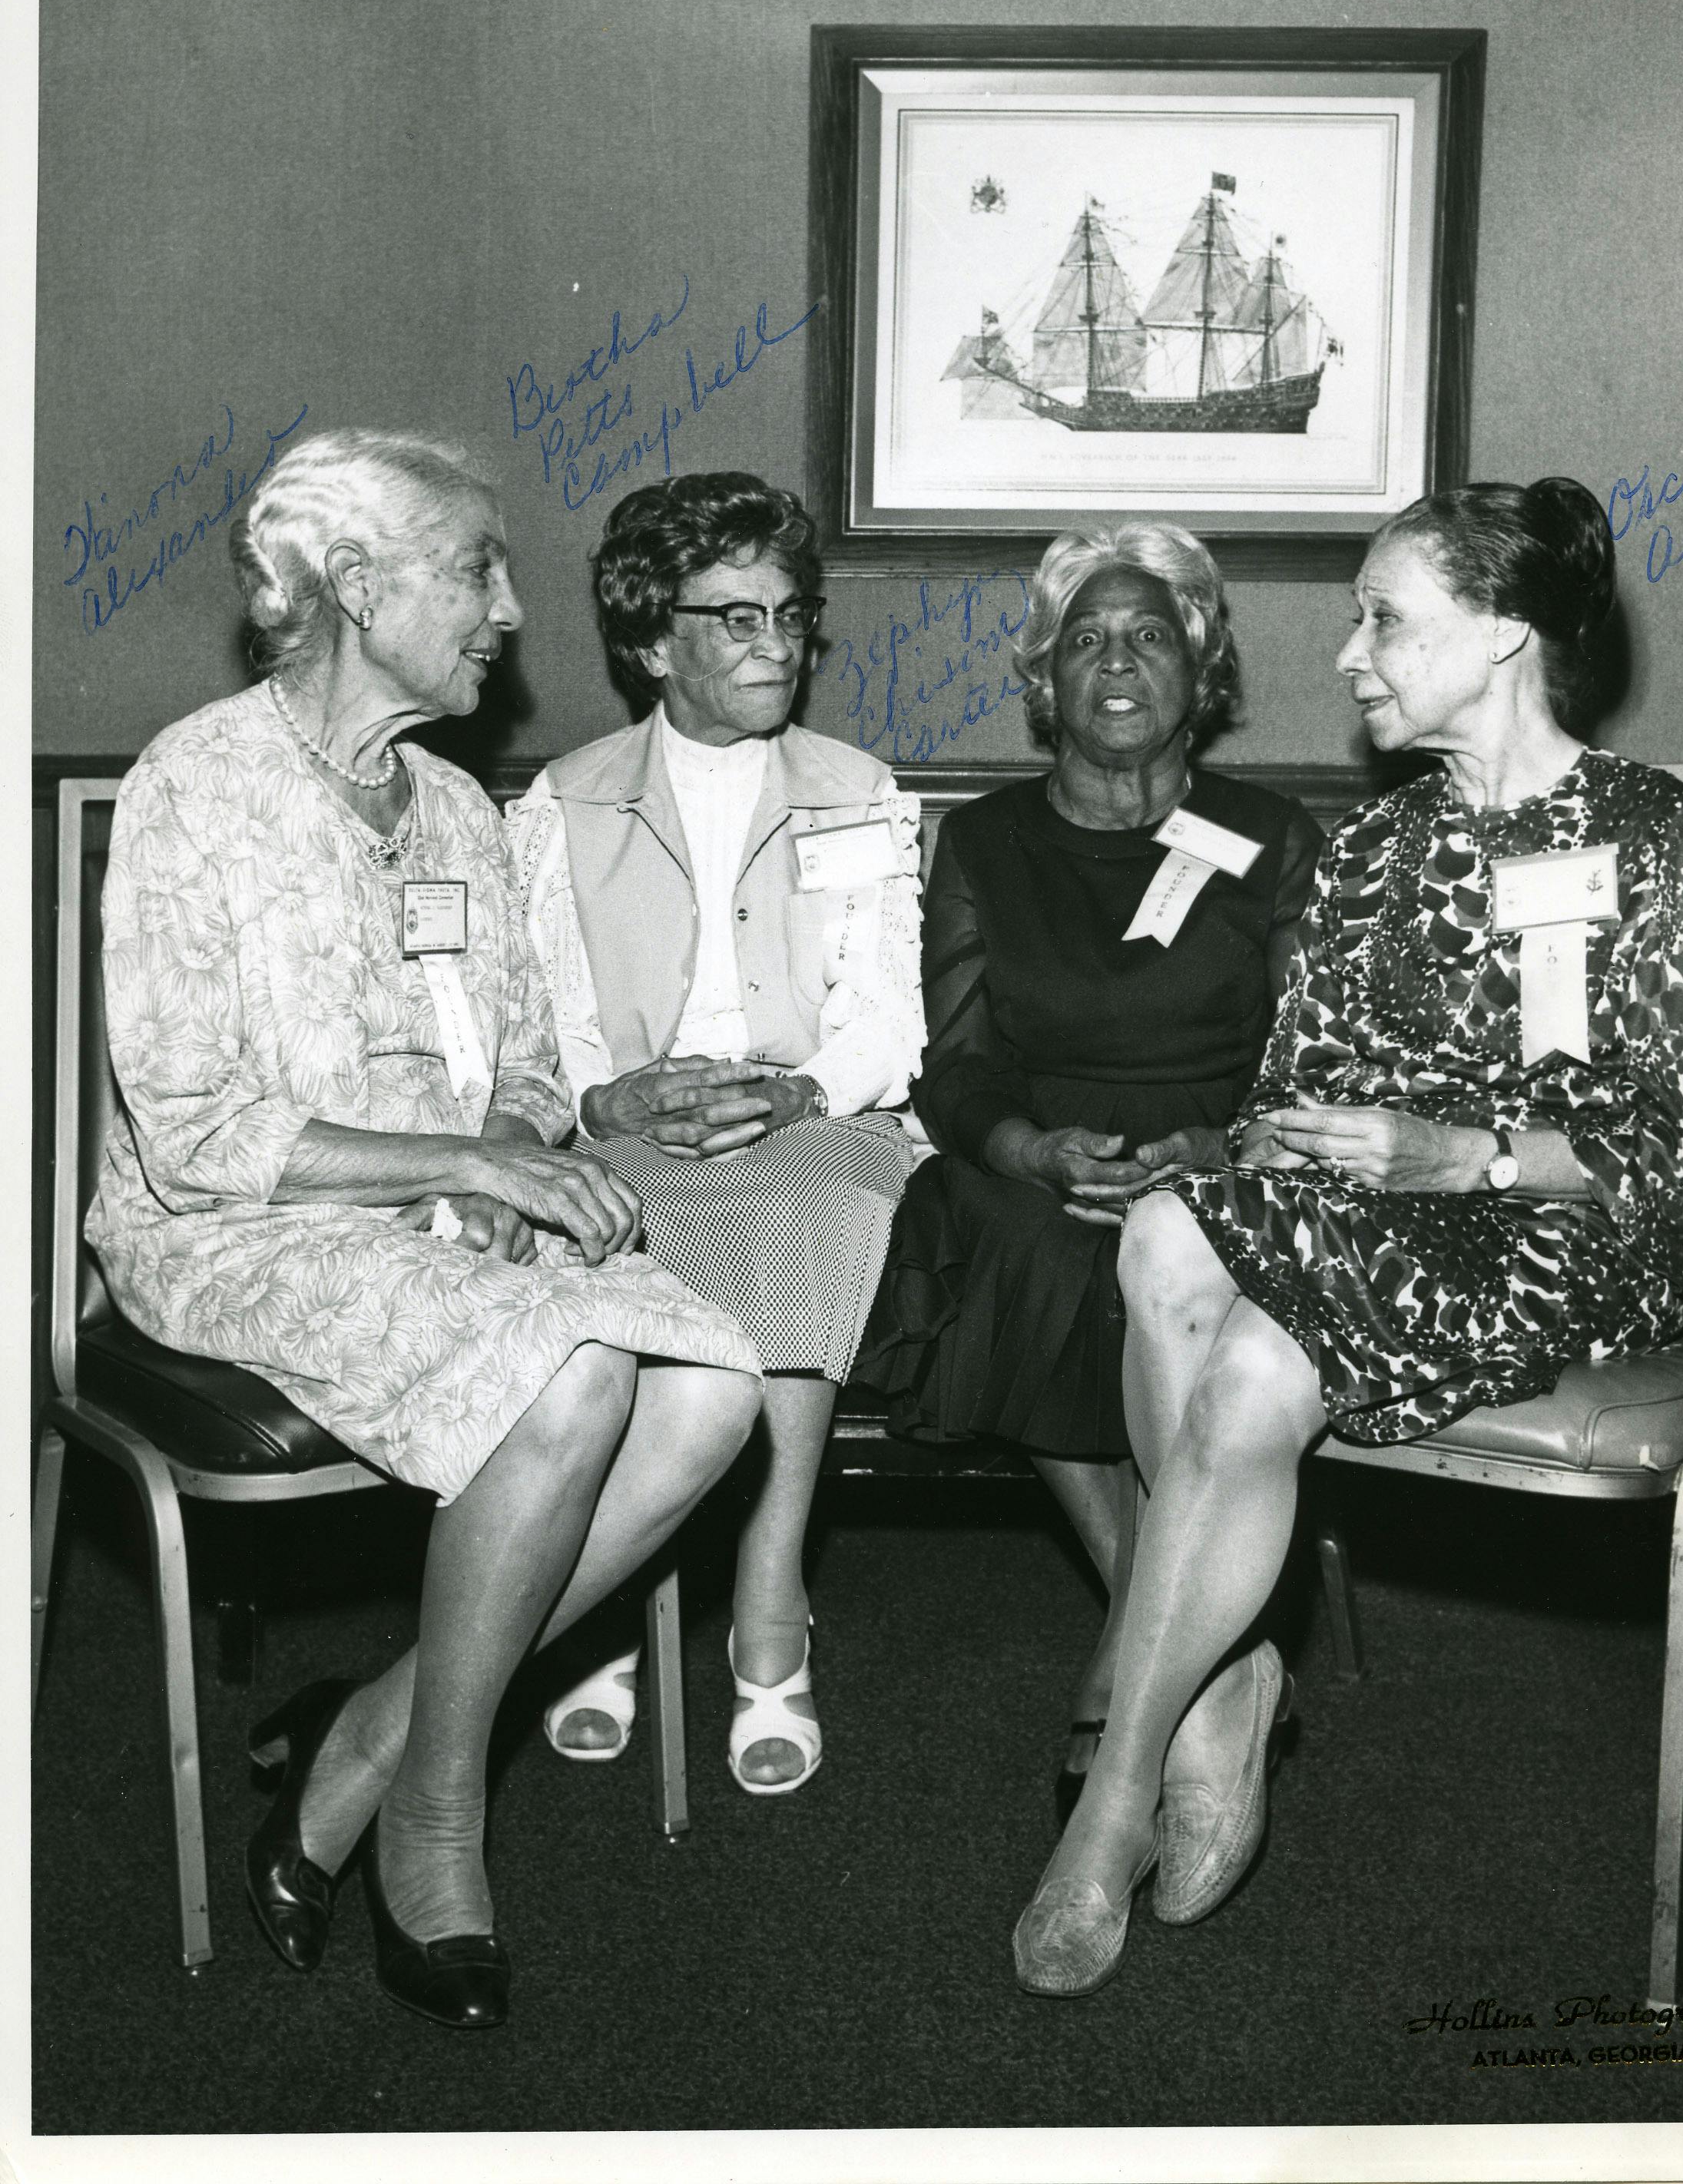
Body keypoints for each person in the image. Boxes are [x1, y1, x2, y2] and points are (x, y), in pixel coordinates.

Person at [1010, 476, 1683, 1997]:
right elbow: (1292, 1092)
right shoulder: (1375, 846)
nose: (1349, 654)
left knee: (1247, 1367)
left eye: (1384, 619)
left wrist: (1457, 1152)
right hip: (1389, 1225)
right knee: (1165, 1239)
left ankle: (1118, 1793)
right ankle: (1221, 1674)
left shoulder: (1655, 833)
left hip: (1571, 1231)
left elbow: (1679, 1159)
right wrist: (1323, 1144)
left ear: (1500, 638)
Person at [86, 429, 764, 2030]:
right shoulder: (202, 784)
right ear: (356, 587)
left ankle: (372, 1737)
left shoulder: (460, 805)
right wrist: (462, 1169)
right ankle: (436, 1816)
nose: (511, 610)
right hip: (239, 1233)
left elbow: (524, 1063)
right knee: (581, 1373)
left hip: (448, 1225)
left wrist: (511, 1156)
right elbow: (194, 1135)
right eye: (475, 570)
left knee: (718, 1382)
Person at [858, 520, 1324, 1823]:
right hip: (1038, 1166)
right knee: (1002, 1231)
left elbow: (1311, 1068)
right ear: (1045, 677)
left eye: (1152, 634)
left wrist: (1216, 1149)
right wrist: (1027, 1146)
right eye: (1086, 639)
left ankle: (1132, 1674)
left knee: (1157, 1253)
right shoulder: (988, 844)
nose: (1118, 662)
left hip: (1225, 1163)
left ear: (1205, 667)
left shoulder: (1271, 836)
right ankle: (1197, 1643)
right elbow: (954, 1067)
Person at [507, 470, 923, 1793]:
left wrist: (798, 1093)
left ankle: (768, 1599)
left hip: (820, 1119)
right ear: (649, 641)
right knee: (608, 1212)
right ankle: (614, 1583)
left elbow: (888, 1023)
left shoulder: (856, 790)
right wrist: (608, 1103)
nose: (777, 647)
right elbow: (550, 1021)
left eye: (792, 617)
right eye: (735, 620)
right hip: (632, 1120)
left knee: (804, 1207)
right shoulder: (564, 802)